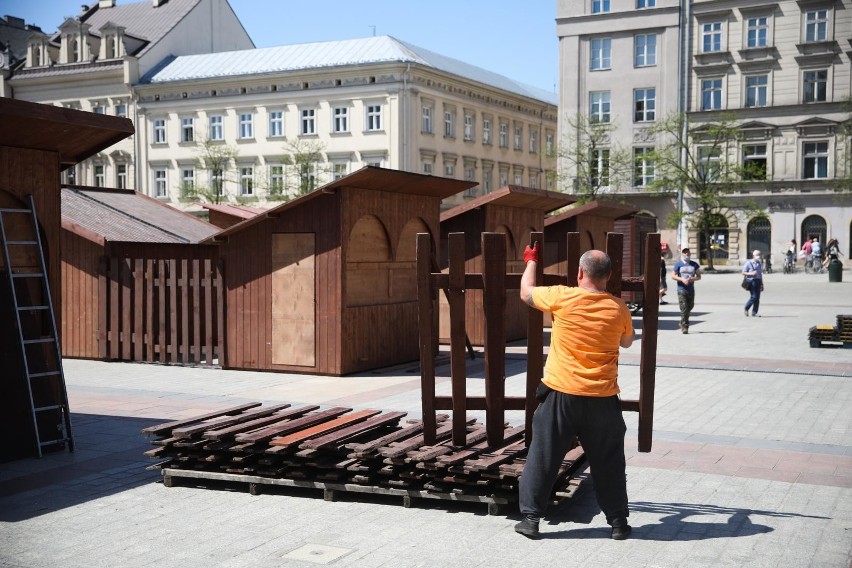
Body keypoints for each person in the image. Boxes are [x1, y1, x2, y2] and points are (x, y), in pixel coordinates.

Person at [515, 244, 635, 541]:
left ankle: (531, 519)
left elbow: (526, 291)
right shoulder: (618, 308)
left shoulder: (561, 296)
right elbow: (627, 342)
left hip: (561, 393)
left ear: (580, 272)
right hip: (602, 397)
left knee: (544, 455)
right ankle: (618, 522)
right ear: (608, 276)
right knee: (609, 461)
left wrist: (531, 260)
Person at [671, 247, 702, 334]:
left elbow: (699, 276)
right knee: (684, 308)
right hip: (681, 289)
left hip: (691, 289)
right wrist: (682, 279)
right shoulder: (678, 264)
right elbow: (673, 275)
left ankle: (682, 321)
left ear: (690, 254)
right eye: (685, 253)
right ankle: (685, 326)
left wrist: (692, 279)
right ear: (682, 254)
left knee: (690, 306)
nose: (686, 255)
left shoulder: (694, 264)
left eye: (688, 253)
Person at [742, 250, 764, 317]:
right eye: (757, 255)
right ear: (753, 256)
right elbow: (743, 272)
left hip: (758, 281)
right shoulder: (748, 263)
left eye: (759, 255)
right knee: (754, 297)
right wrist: (751, 273)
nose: (759, 256)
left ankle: (754, 312)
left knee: (757, 298)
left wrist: (762, 284)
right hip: (751, 282)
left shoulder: (759, 264)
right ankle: (746, 307)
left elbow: (760, 274)